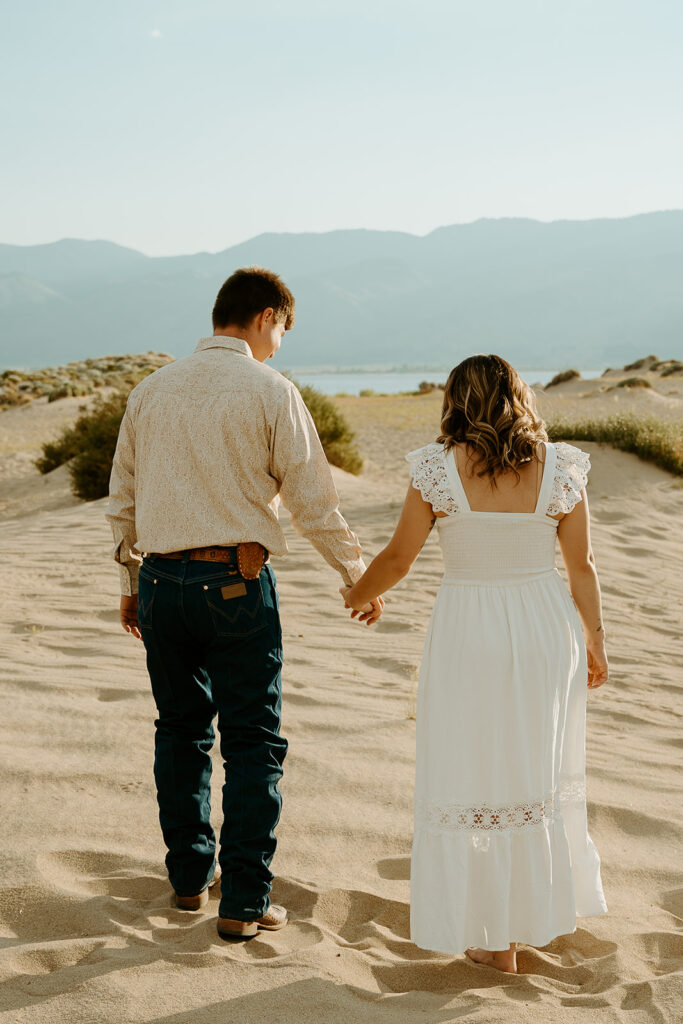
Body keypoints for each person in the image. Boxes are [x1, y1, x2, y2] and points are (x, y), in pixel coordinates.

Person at [106, 266, 382, 941]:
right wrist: (353, 572)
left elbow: (122, 500)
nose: (280, 342)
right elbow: (314, 498)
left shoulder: (150, 389)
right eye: (283, 328)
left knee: (179, 732)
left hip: (160, 584)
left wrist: (127, 586)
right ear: (265, 317)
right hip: (234, 584)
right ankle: (246, 900)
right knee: (253, 742)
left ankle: (189, 880)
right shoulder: (270, 389)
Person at [341, 354, 608, 973]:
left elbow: (399, 558)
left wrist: (358, 592)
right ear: (520, 396)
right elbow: (582, 567)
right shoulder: (561, 466)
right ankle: (517, 925)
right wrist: (595, 640)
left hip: (470, 629)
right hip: (547, 628)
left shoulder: (436, 468)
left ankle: (494, 939)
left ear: (456, 399)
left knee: (470, 770)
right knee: (530, 772)